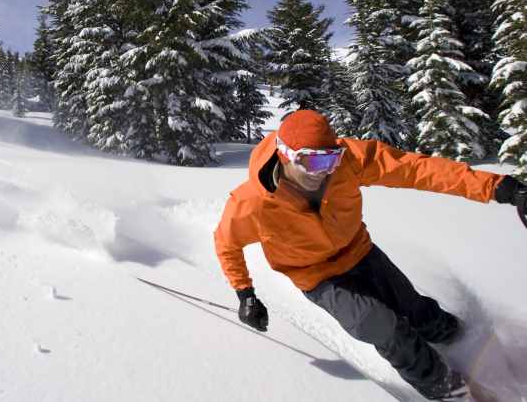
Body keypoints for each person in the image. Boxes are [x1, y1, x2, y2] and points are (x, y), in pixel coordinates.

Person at [214, 110, 526, 400]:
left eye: (329, 160)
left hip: (361, 251)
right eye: (310, 162)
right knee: (383, 327)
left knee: (415, 309)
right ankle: (445, 388)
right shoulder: (252, 204)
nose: (322, 172)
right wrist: (245, 294)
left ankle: (459, 338)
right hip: (317, 276)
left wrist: (498, 187)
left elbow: (415, 169)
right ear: (285, 154)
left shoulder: (348, 162)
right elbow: (226, 244)